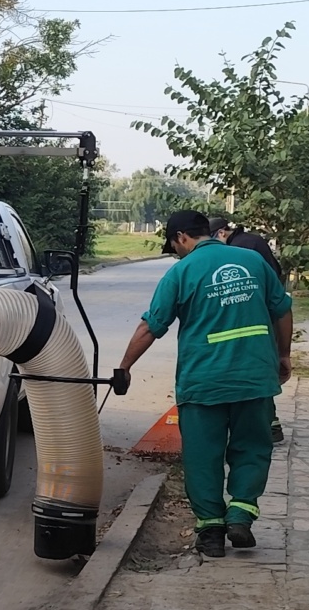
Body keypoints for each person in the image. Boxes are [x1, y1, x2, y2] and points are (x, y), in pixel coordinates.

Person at [109, 210, 292, 557]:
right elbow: (282, 310)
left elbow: (152, 326)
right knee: (252, 447)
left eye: (173, 245)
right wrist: (284, 355)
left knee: (201, 456)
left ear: (181, 237)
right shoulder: (252, 261)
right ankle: (240, 513)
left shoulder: (181, 271)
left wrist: (125, 366)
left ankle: (210, 532)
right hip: (254, 376)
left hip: (202, 381)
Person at [214, 217, 291, 446]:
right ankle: (268, 425)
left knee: (248, 373)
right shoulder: (252, 241)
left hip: (254, 317)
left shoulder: (238, 249)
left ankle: (267, 425)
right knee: (259, 371)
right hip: (266, 313)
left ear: (221, 233)